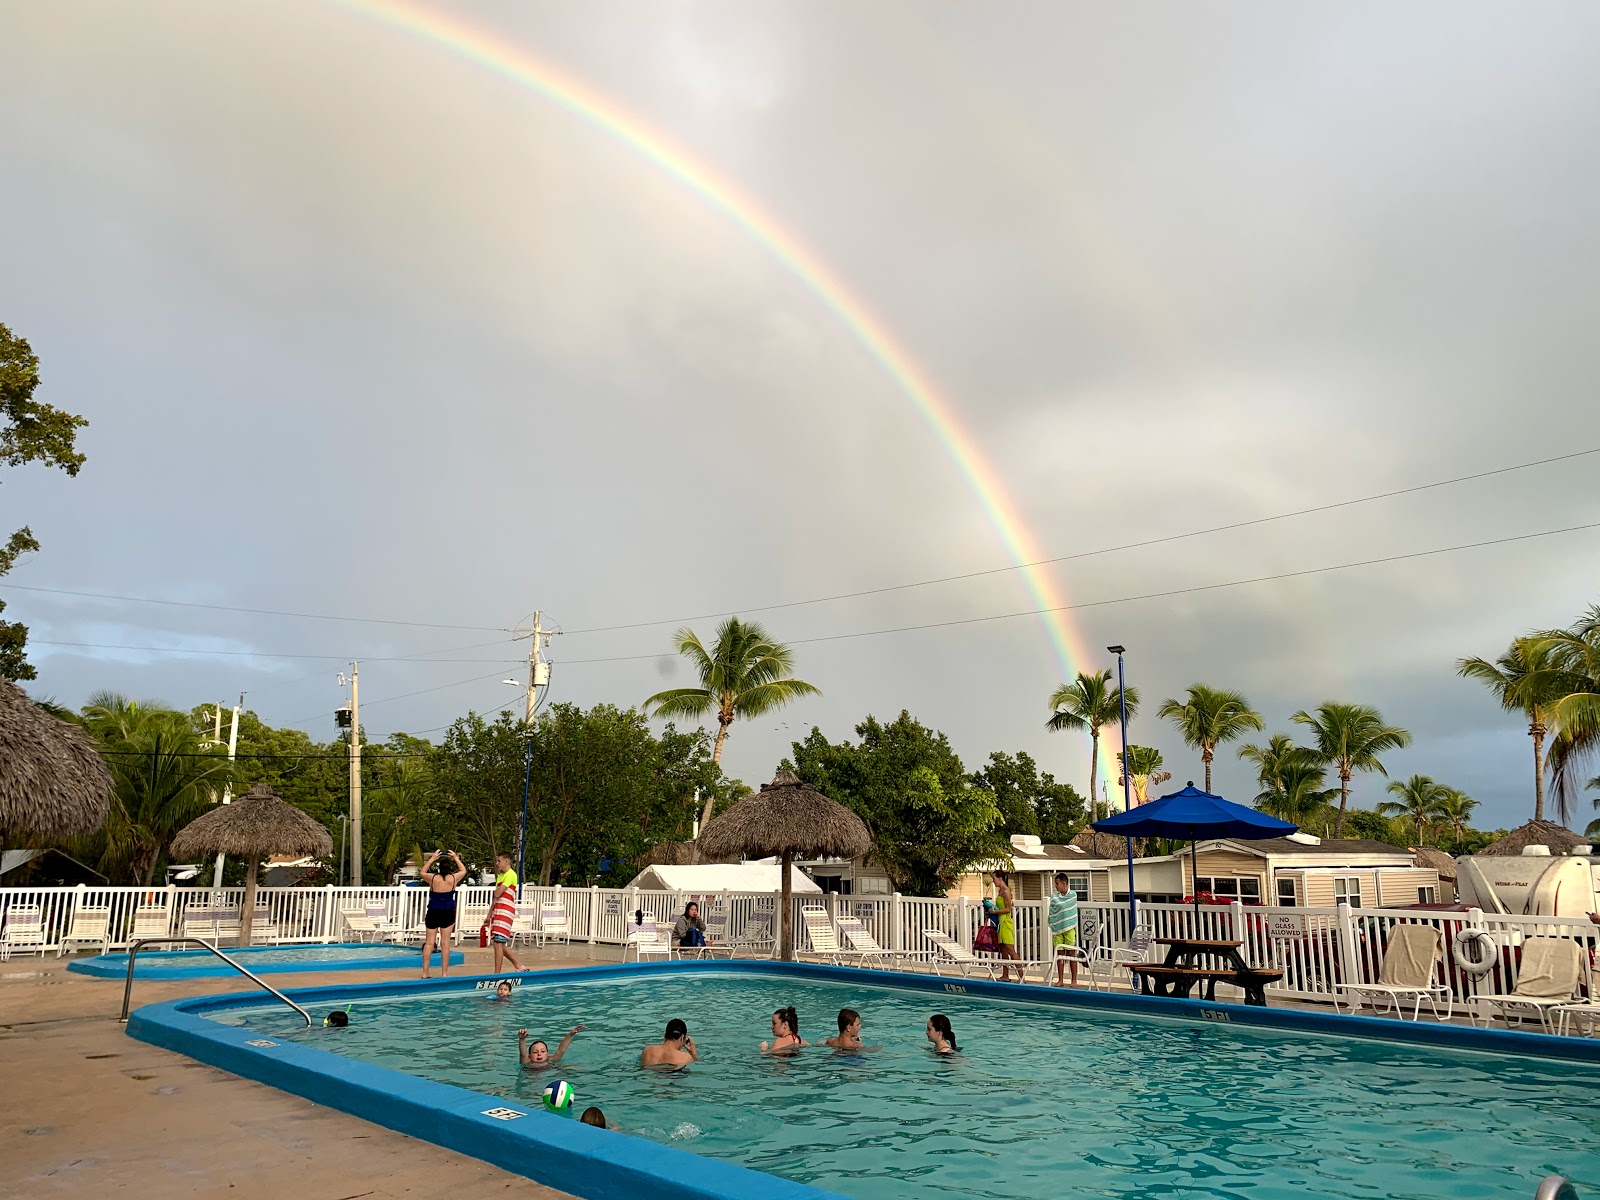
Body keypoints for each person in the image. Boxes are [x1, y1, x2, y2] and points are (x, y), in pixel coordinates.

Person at [420, 849, 468, 978]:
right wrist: (456, 858)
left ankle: (425, 972)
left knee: (429, 943)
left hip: (433, 912)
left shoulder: (433, 878)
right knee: (445, 943)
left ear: (439, 868)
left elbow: (422, 872)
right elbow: (463, 871)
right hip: (447, 912)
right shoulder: (453, 878)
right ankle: (444, 973)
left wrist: (432, 858)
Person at [490, 852, 525, 975]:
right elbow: (496, 897)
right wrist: (489, 915)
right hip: (498, 911)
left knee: (499, 942)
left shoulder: (511, 875)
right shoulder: (501, 876)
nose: (497, 863)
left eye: (499, 861)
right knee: (498, 943)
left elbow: (498, 893)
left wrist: (497, 892)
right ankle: (518, 966)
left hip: (505, 911)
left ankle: (497, 973)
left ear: (506, 862)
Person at [1049, 873, 1081, 987]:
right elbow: (1054, 908)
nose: (1056, 886)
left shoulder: (1073, 895)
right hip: (1058, 929)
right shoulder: (1054, 897)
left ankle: (1074, 980)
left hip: (1069, 927)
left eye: (1057, 884)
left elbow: (1066, 907)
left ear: (1064, 883)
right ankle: (1060, 979)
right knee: (1060, 954)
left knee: (1072, 954)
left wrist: (1060, 904)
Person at [991, 870, 1021, 982]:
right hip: (1000, 922)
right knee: (1002, 949)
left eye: (994, 878)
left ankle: (1022, 975)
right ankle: (1005, 975)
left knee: (1010, 949)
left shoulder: (1006, 892)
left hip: (1006, 923)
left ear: (1000, 878)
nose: (993, 881)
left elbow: (1008, 909)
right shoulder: (1000, 891)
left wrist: (995, 912)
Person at [518, 1024, 584, 1069]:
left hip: (551, 1071)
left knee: (569, 1068)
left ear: (547, 1054)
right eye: (535, 1052)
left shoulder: (550, 1060)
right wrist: (522, 1039)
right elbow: (523, 1054)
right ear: (529, 1056)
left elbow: (561, 1049)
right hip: (531, 1076)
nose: (539, 1054)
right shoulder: (527, 1063)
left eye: (543, 1051)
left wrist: (570, 1034)